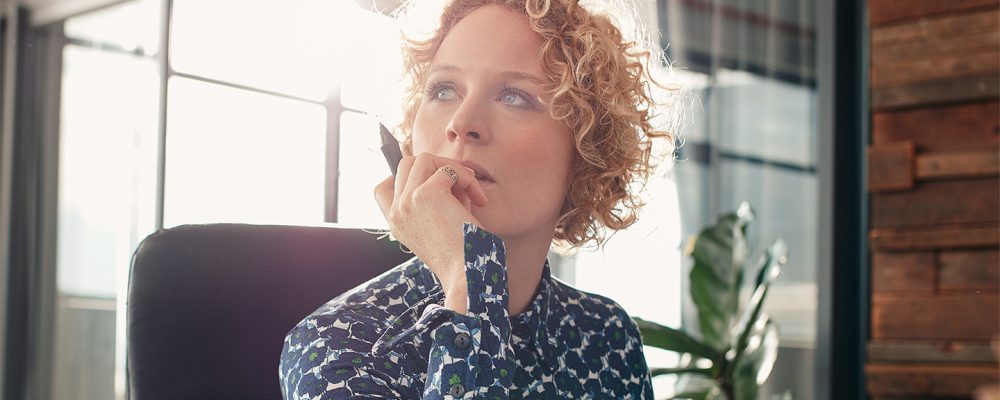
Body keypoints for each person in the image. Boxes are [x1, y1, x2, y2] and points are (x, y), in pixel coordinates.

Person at [280, 0, 679, 398]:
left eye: (514, 96)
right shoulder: (337, 344)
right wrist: (469, 285)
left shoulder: (607, 336)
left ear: (588, 150)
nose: (462, 123)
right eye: (444, 89)